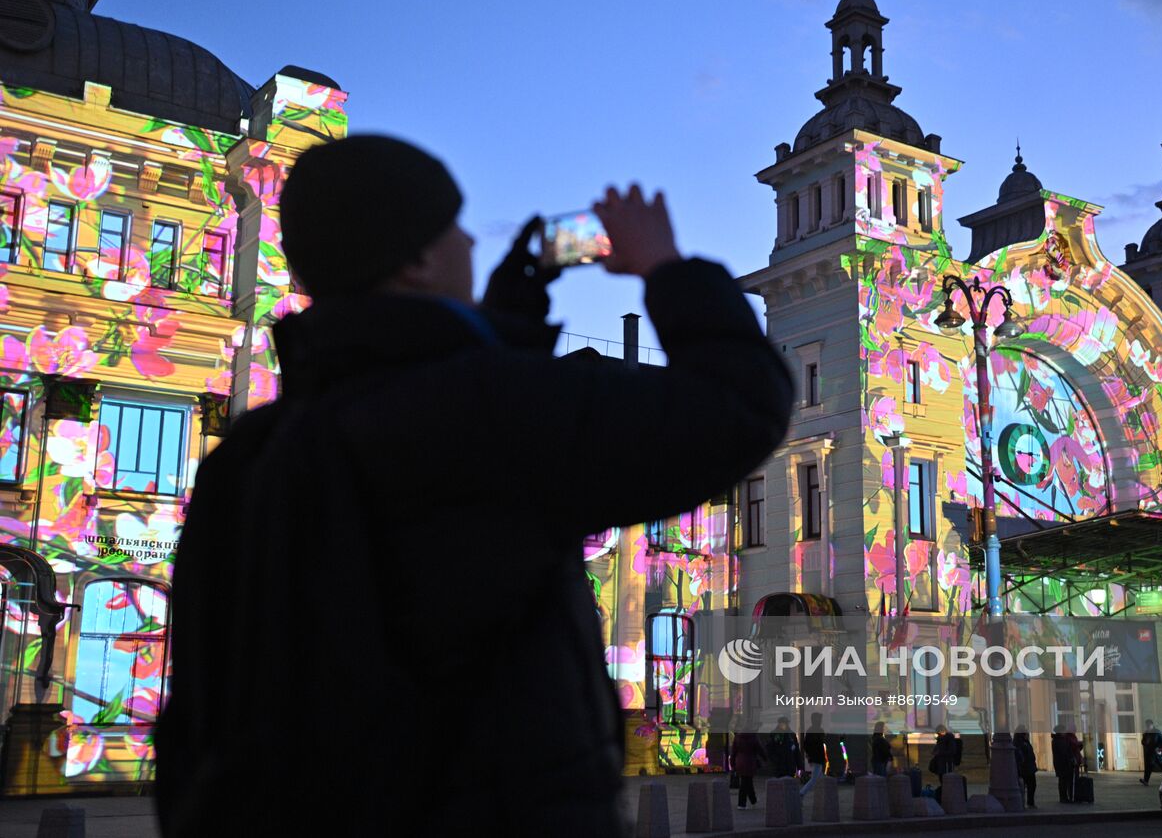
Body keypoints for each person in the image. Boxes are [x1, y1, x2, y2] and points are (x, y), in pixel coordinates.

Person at [152, 136, 794, 837]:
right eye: (453, 226)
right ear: (421, 257)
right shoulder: (495, 411)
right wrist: (667, 267)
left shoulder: (247, 458)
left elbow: (194, 717)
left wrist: (502, 324)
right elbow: (740, 407)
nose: (467, 238)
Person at [732, 728, 767, 809]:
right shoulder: (753, 737)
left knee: (747, 781)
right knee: (746, 782)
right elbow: (760, 749)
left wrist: (733, 763)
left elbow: (733, 752)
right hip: (750, 762)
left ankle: (753, 800)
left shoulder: (737, 737)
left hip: (740, 762)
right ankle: (742, 804)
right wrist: (765, 758)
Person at [800, 714, 829, 795]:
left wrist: (809, 755)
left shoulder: (812, 730)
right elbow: (809, 745)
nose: (820, 721)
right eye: (819, 719)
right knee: (814, 779)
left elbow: (806, 745)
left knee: (820, 778)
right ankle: (801, 793)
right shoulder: (817, 730)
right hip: (817, 758)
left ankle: (823, 796)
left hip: (816, 758)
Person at [1013, 726, 1038, 808]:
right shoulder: (1020, 743)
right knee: (1027, 786)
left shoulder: (1025, 742)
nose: (1028, 734)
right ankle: (1026, 803)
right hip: (1025, 768)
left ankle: (1029, 802)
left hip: (1029, 767)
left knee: (1031, 786)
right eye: (1026, 733)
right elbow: (1021, 756)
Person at [1051, 725, 1074, 803]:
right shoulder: (1058, 741)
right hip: (1062, 763)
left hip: (1061, 763)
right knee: (1063, 781)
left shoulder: (1059, 740)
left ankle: (1064, 797)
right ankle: (1063, 797)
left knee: (1063, 781)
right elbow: (1063, 752)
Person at [1139, 719, 1162, 786]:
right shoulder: (1146, 733)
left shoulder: (1157, 732)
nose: (1148, 726)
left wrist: (1160, 749)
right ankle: (1146, 781)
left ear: (1152, 725)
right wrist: (1145, 743)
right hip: (1150, 752)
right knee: (1148, 767)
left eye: (1149, 725)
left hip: (1157, 752)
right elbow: (1143, 741)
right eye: (1147, 725)